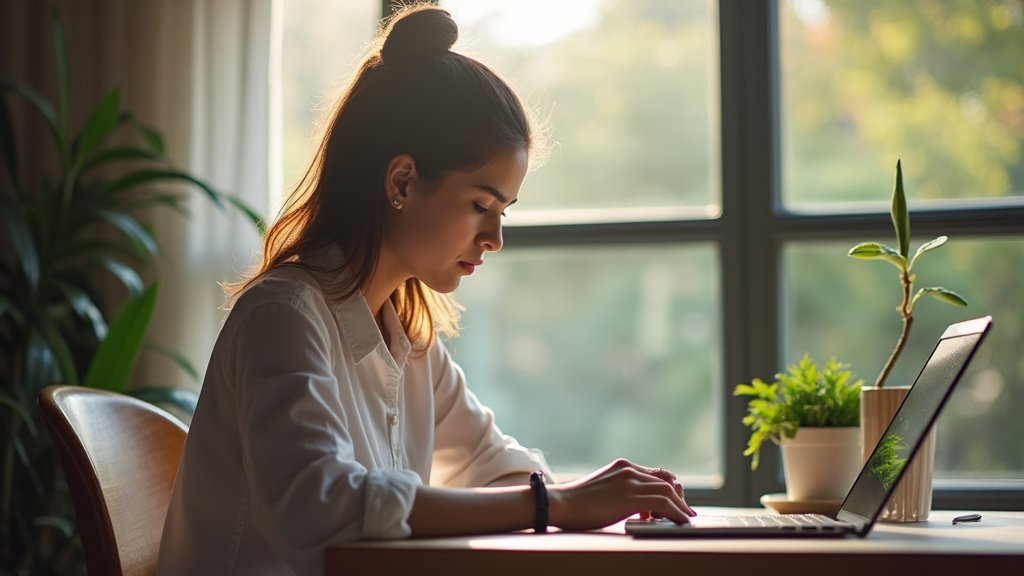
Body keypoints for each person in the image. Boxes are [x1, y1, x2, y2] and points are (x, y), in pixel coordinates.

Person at [156, 4, 694, 575]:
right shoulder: (284, 315)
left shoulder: (406, 338)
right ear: (403, 181)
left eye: (503, 212)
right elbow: (321, 509)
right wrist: (553, 503)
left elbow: (490, 461)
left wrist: (597, 497)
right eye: (481, 205)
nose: (495, 238)